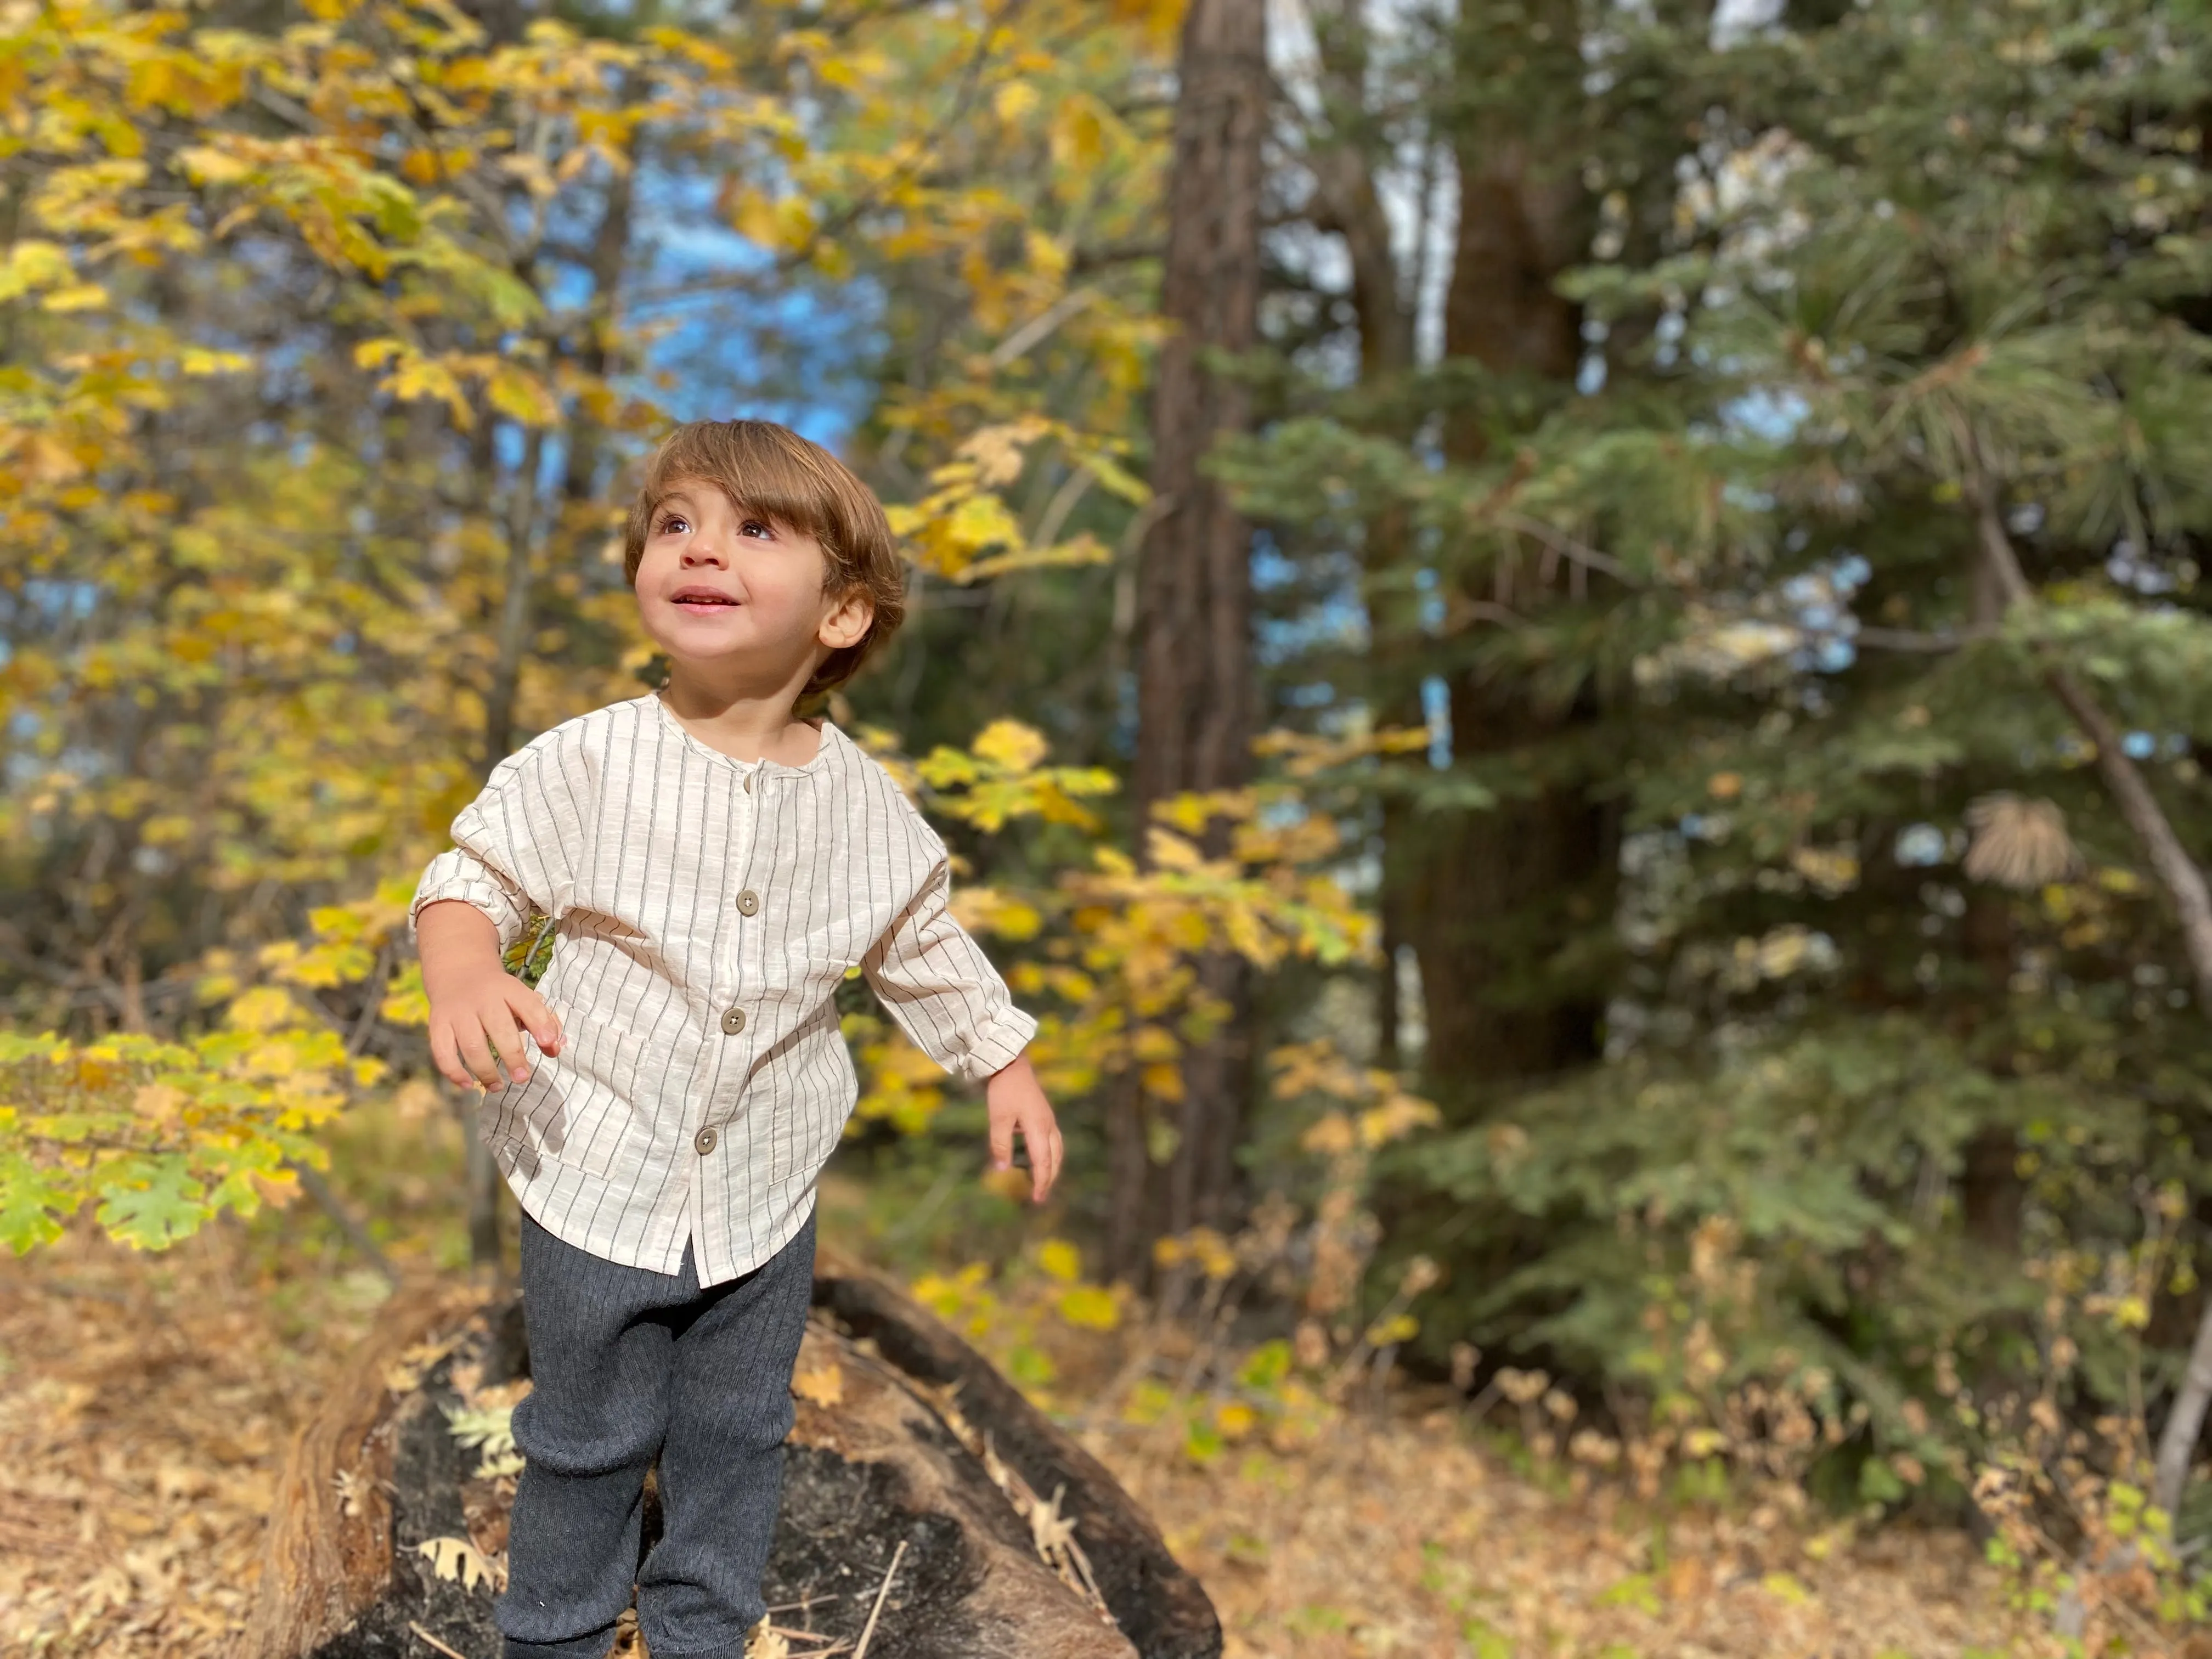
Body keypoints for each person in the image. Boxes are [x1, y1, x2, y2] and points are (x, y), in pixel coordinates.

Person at [411, 417, 1063, 1659]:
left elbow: (919, 942)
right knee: (587, 1434)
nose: (700, 549)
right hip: (594, 1159)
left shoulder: (862, 801)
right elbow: (470, 877)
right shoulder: (594, 759)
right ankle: (551, 1633)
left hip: (765, 1183)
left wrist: (1004, 1063)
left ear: (844, 615)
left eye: (753, 530)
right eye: (675, 524)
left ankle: (703, 1634)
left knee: (737, 1433)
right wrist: (463, 971)